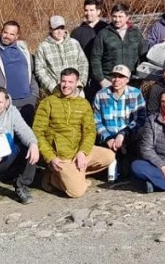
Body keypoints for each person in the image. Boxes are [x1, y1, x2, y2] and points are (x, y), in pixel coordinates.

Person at [33, 68, 116, 198]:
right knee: (76, 192)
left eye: (70, 82)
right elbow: (38, 133)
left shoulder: (83, 103)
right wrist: (51, 157)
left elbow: (90, 131)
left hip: (78, 151)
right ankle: (52, 179)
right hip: (60, 156)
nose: (66, 85)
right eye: (63, 81)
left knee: (109, 156)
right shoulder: (48, 103)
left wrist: (82, 152)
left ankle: (75, 174)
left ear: (77, 83)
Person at [92, 65, 146, 181]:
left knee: (128, 171)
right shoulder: (101, 95)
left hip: (129, 137)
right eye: (114, 76)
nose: (116, 80)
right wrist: (107, 138)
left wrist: (123, 133)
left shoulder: (135, 93)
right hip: (108, 139)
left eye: (121, 77)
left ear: (127, 79)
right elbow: (96, 120)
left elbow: (140, 118)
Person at [0, 21, 38, 125]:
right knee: (6, 133)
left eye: (12, 34)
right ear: (1, 32)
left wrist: (34, 94)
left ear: (17, 36)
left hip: (27, 101)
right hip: (6, 102)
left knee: (27, 133)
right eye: (5, 32)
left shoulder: (23, 50)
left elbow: (31, 72)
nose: (7, 36)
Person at [90, 3, 148, 91]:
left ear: (127, 17)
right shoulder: (103, 34)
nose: (117, 20)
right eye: (114, 16)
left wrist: (141, 77)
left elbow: (144, 56)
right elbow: (95, 58)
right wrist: (101, 80)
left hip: (131, 81)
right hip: (110, 81)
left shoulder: (136, 33)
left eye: (120, 16)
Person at [36, 15, 90, 93]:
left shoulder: (74, 43)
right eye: (56, 28)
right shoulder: (43, 47)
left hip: (76, 90)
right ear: (50, 29)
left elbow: (83, 63)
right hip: (56, 92)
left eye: (62, 28)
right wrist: (53, 87)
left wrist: (81, 82)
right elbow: (40, 70)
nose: (60, 31)